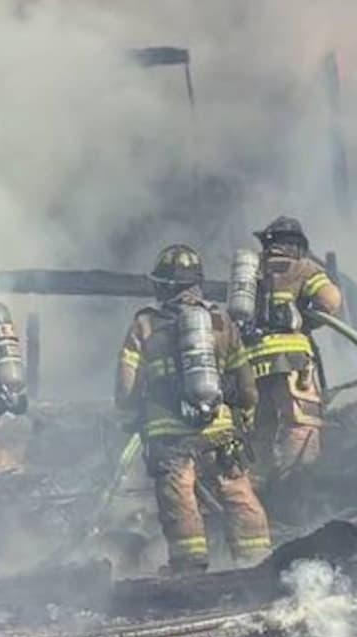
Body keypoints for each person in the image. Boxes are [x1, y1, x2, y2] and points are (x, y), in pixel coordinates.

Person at [115, 244, 271, 572]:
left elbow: (127, 383)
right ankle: (256, 559)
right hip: (219, 427)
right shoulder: (221, 320)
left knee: (179, 495)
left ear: (161, 285)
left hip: (169, 432)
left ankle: (189, 563)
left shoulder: (144, 325)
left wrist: (129, 415)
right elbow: (245, 382)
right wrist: (243, 414)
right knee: (236, 490)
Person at [243, 216, 343, 488]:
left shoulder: (250, 273)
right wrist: (308, 321)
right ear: (296, 245)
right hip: (291, 362)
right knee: (301, 422)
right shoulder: (302, 268)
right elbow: (331, 302)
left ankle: (259, 486)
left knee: (260, 428)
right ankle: (297, 487)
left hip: (251, 364)